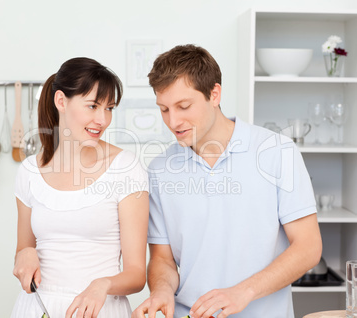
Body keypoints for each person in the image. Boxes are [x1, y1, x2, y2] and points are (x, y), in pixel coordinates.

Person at [132, 45, 322, 318]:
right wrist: (161, 291)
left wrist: (243, 291)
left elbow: (308, 247)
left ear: (214, 94)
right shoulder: (160, 170)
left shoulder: (277, 152)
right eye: (164, 109)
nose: (173, 121)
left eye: (183, 106)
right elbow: (163, 259)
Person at [11, 57, 149, 318]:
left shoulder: (126, 168)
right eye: (93, 106)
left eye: (109, 108)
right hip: (37, 308)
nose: (102, 119)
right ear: (61, 101)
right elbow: (22, 251)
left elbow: (136, 275)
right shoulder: (29, 171)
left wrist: (102, 284)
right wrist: (25, 254)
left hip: (100, 309)